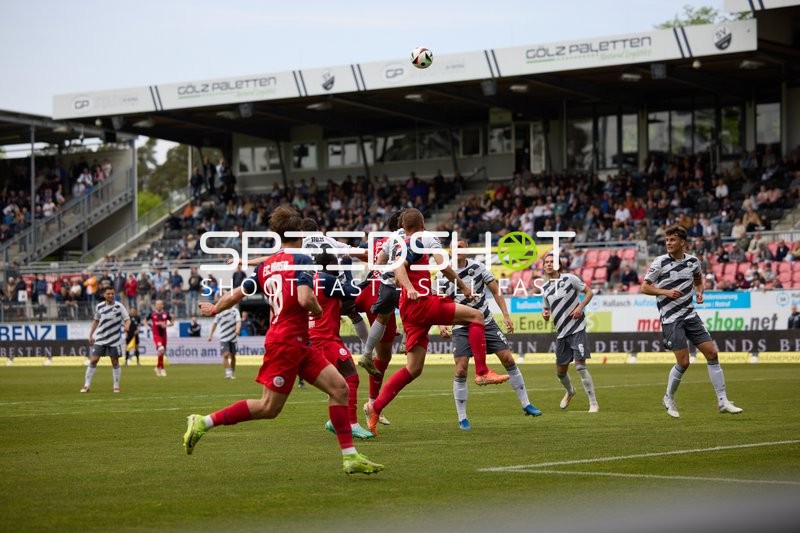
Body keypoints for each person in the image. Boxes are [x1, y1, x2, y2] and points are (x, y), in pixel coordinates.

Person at [183, 206, 383, 475]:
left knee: (339, 388)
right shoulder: (302, 259)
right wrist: (316, 308)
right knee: (269, 407)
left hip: (300, 343)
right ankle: (203, 422)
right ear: (299, 233)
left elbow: (237, 294)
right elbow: (304, 298)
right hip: (286, 342)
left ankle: (350, 457)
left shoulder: (268, 265)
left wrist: (215, 308)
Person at [363, 208, 497, 436]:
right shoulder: (424, 239)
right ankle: (482, 371)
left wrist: (400, 286)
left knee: (413, 369)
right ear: (423, 223)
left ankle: (374, 407)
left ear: (403, 226)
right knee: (476, 316)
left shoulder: (395, 241)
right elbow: (440, 265)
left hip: (408, 307)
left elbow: (380, 264)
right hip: (422, 302)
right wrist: (462, 287)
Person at [436, 238, 542, 430]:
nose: (458, 250)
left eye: (461, 247)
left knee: (508, 359)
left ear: (467, 250)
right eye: (455, 248)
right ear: (449, 251)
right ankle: (462, 418)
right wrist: (441, 324)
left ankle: (526, 404)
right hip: (461, 326)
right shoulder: (442, 274)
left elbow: (496, 291)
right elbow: (439, 303)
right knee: (460, 369)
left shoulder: (478, 267)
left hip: (486, 322)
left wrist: (506, 315)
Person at [641, 225, 743, 418]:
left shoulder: (693, 262)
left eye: (672, 240)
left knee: (712, 353)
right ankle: (668, 397)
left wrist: (699, 292)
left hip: (690, 315)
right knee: (684, 362)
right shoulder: (660, 262)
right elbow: (644, 288)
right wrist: (665, 292)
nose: (668, 243)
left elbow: (698, 279)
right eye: (667, 240)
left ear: (682, 242)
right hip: (671, 319)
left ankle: (723, 401)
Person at [311, 250, 374, 439]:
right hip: (325, 339)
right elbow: (352, 292)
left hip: (316, 337)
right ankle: (351, 423)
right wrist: (348, 268)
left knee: (338, 383)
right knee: (351, 377)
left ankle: (336, 420)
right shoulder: (327, 280)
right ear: (330, 263)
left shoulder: (313, 279)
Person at [540, 252, 600, 413]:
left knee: (580, 367)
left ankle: (593, 403)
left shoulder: (570, 279)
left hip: (577, 328)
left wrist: (580, 307)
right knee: (560, 373)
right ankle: (570, 391)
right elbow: (546, 309)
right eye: (546, 262)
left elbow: (589, 292)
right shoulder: (544, 288)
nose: (549, 264)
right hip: (561, 333)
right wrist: (545, 314)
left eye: (552, 261)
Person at [81, 287, 130, 393]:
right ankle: (86, 385)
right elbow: (96, 321)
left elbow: (127, 319)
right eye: (108, 294)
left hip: (115, 339)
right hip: (100, 338)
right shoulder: (99, 306)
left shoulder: (119, 306)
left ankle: (116, 385)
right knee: (94, 360)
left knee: (115, 362)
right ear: (104, 295)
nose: (111, 295)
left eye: (112, 293)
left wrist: (127, 326)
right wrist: (90, 335)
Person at [208, 306, 241, 379]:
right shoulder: (219, 311)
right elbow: (215, 323)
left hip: (233, 337)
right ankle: (228, 373)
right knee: (225, 355)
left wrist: (238, 330)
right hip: (224, 337)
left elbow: (238, 321)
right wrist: (210, 335)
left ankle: (232, 372)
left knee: (233, 356)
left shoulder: (235, 311)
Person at [147, 299, 173, 377]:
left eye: (160, 304)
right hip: (156, 335)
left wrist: (166, 325)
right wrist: (147, 327)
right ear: (155, 306)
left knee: (162, 352)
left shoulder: (166, 314)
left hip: (164, 335)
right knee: (161, 349)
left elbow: (172, 322)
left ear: (163, 305)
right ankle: (162, 369)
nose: (159, 305)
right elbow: (145, 321)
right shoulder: (152, 314)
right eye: (157, 304)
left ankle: (158, 367)